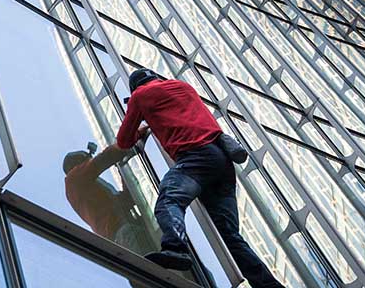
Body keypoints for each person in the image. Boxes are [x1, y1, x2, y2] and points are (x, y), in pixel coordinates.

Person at [117, 68, 285, 287]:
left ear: (135, 87)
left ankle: (175, 249)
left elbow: (123, 141)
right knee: (229, 237)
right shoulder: (182, 86)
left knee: (169, 199)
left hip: (196, 157)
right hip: (222, 162)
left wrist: (140, 124)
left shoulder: (140, 95)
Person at [63, 137, 156, 258]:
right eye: (86, 160)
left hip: (125, 233)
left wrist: (122, 167)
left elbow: (126, 199)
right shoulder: (73, 180)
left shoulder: (94, 195)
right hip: (123, 233)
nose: (89, 161)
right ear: (76, 165)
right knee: (152, 264)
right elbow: (103, 159)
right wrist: (125, 141)